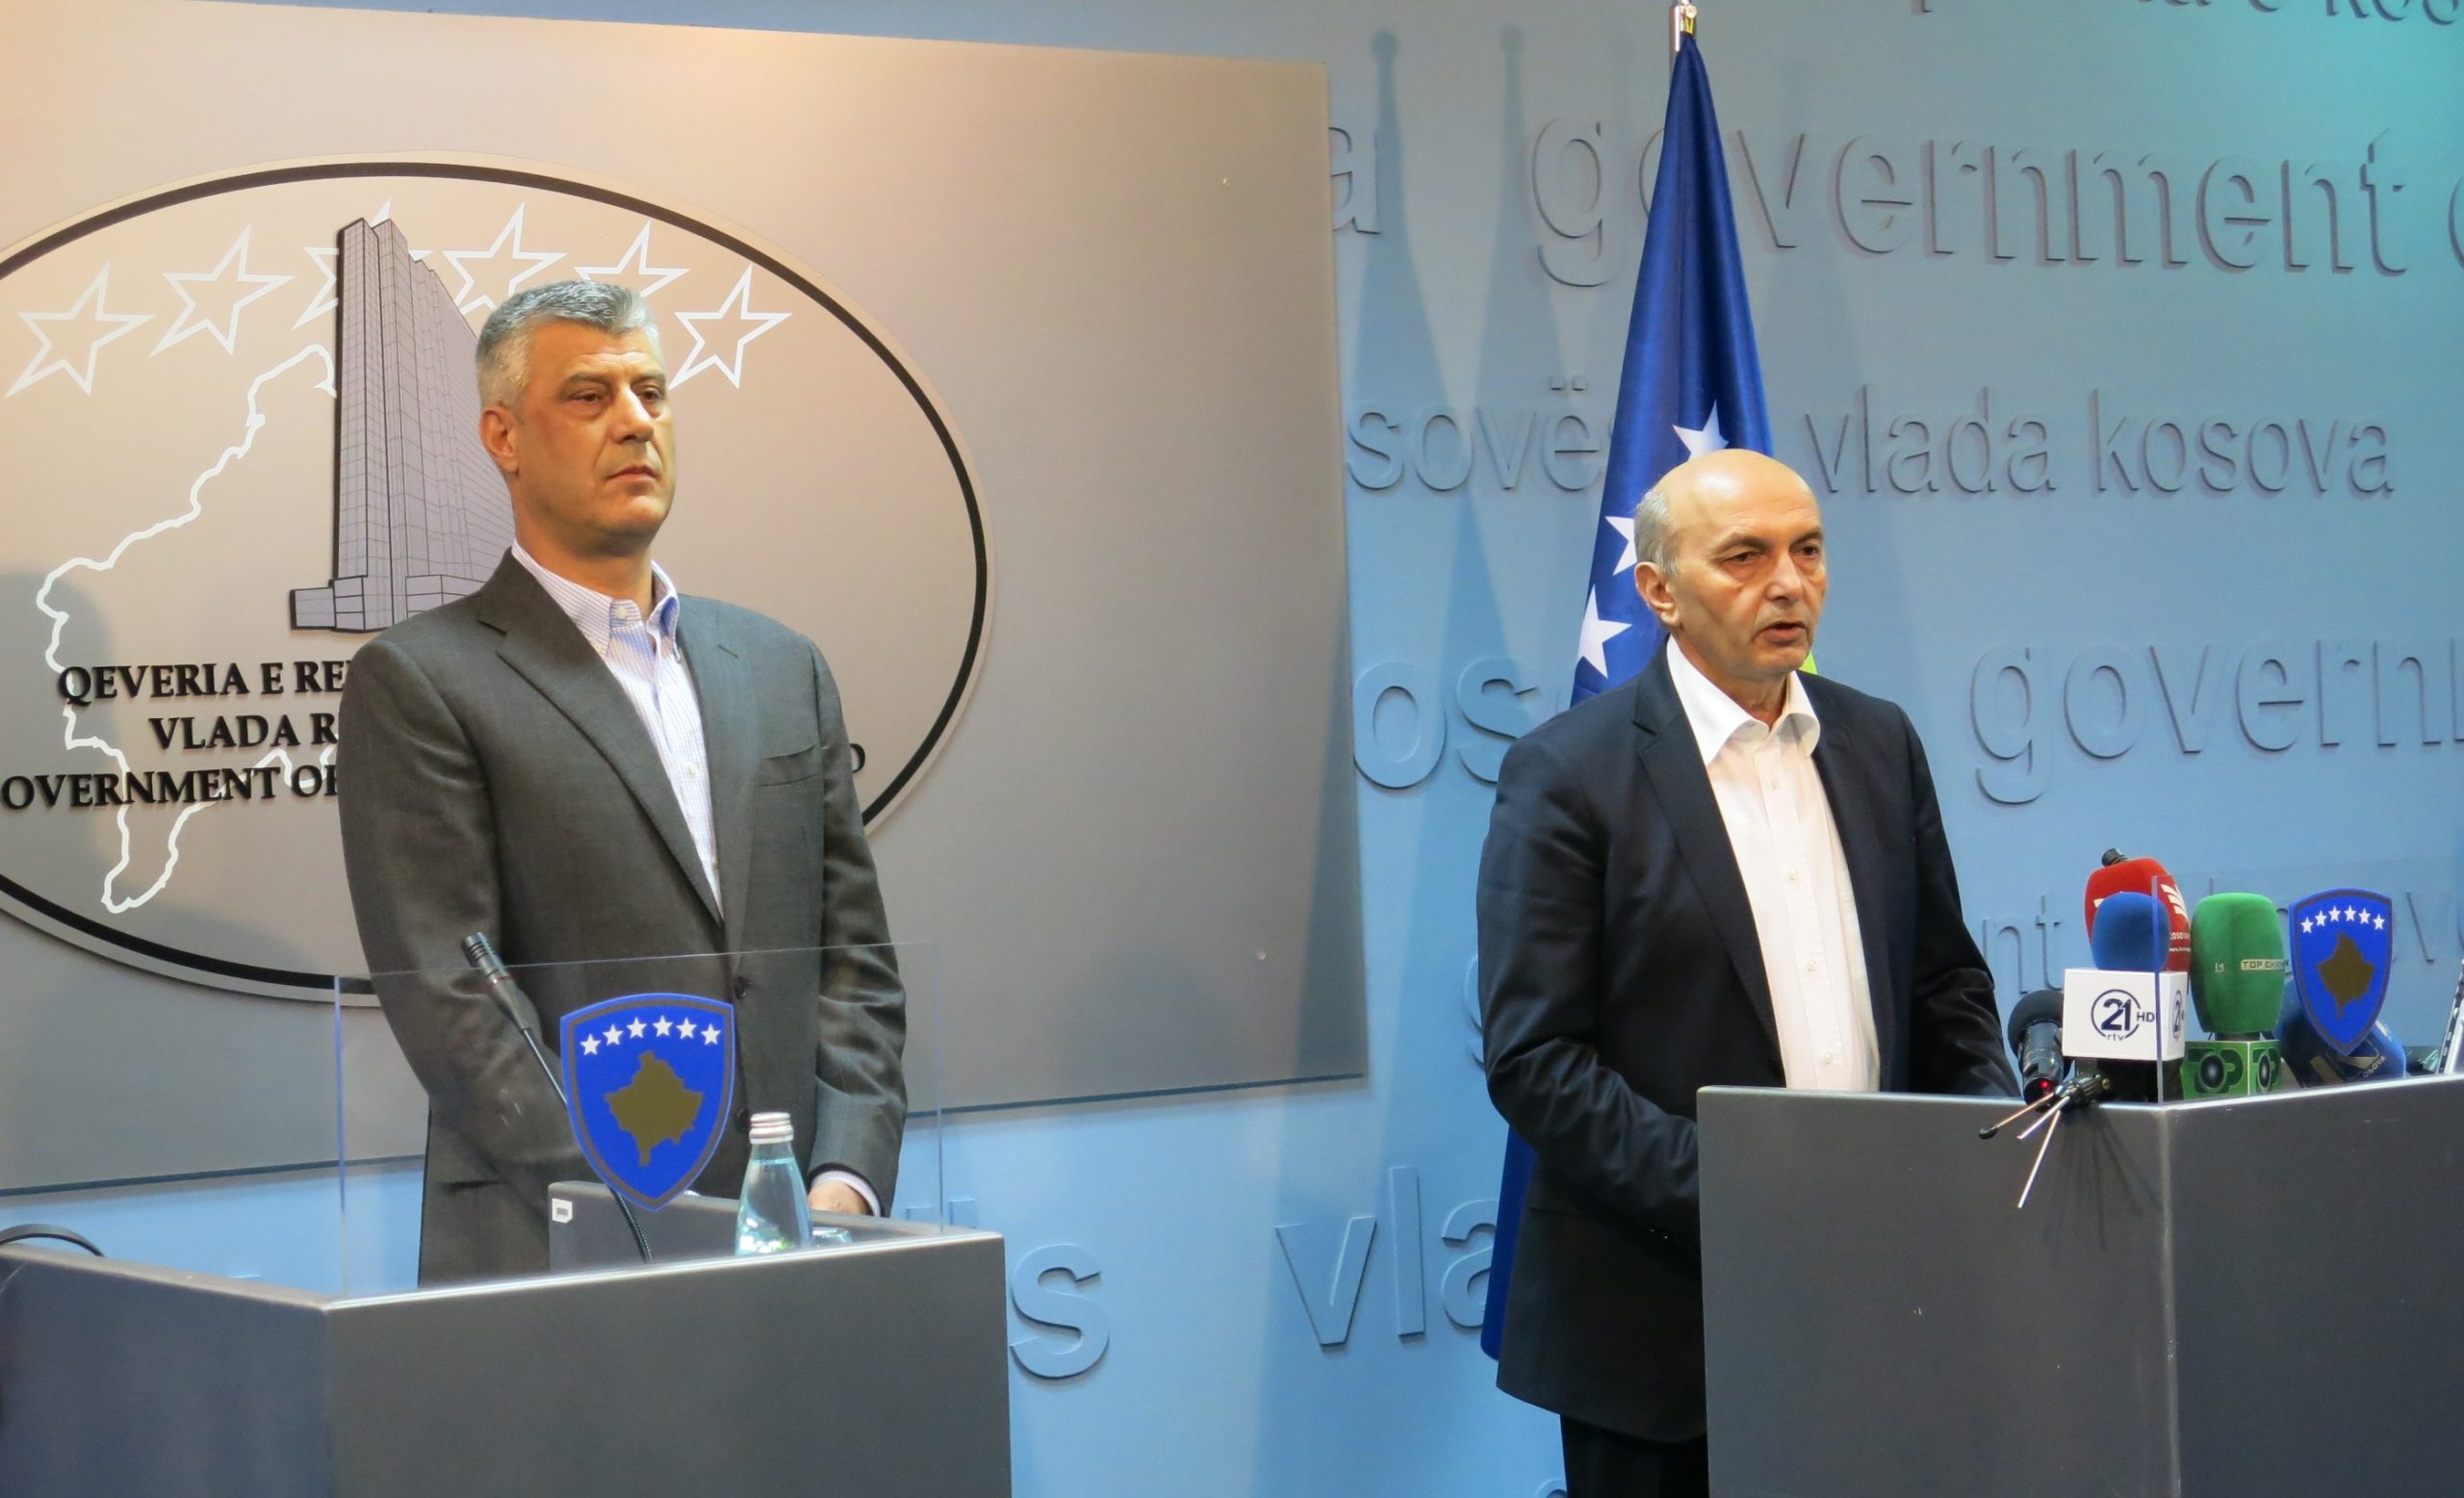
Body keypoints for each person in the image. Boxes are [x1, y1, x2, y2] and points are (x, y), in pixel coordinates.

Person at [338, 280, 904, 1284]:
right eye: (590, 396)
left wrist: (844, 1181)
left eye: (652, 391)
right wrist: (655, 1219)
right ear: (504, 438)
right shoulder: (423, 679)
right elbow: (455, 1005)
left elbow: (852, 960)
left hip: (806, 1246)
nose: (636, 421)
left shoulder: (782, 666)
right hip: (565, 1253)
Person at [1477, 449, 2016, 1497]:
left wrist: (1967, 1149)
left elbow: (1945, 984)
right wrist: (1748, 1196)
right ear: (1658, 591)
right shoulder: (1568, 772)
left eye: (1807, 550)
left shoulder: (1879, 739)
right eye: (1745, 556)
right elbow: (1536, 1059)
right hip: (1661, 1330)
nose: (1788, 583)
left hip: (1885, 1295)